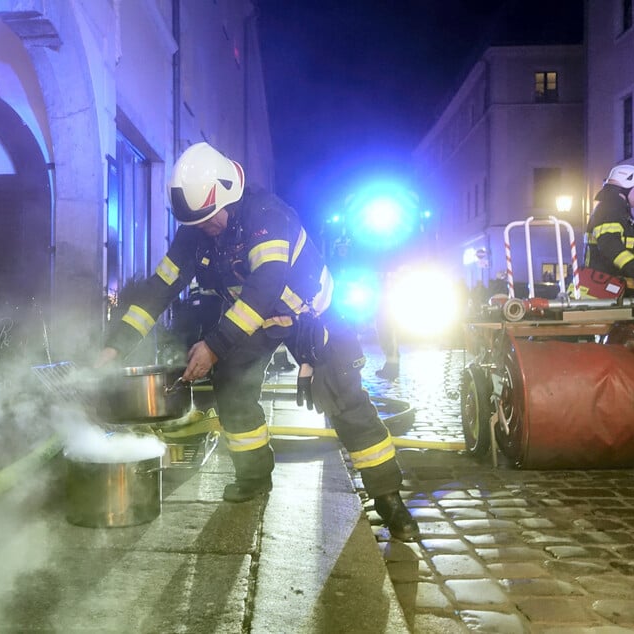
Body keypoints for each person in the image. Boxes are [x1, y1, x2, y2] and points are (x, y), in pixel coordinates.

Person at [96, 142, 420, 540]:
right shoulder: (195, 233)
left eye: (210, 219)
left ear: (229, 195)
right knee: (231, 383)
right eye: (196, 223)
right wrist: (116, 346)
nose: (204, 229)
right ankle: (253, 476)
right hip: (254, 321)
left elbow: (266, 287)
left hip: (310, 315)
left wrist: (213, 345)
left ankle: (389, 499)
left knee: (344, 396)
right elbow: (158, 290)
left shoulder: (267, 217)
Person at [578, 164, 634, 299]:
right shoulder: (610, 209)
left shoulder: (617, 211)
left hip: (612, 287)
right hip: (604, 288)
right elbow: (610, 245)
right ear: (625, 187)